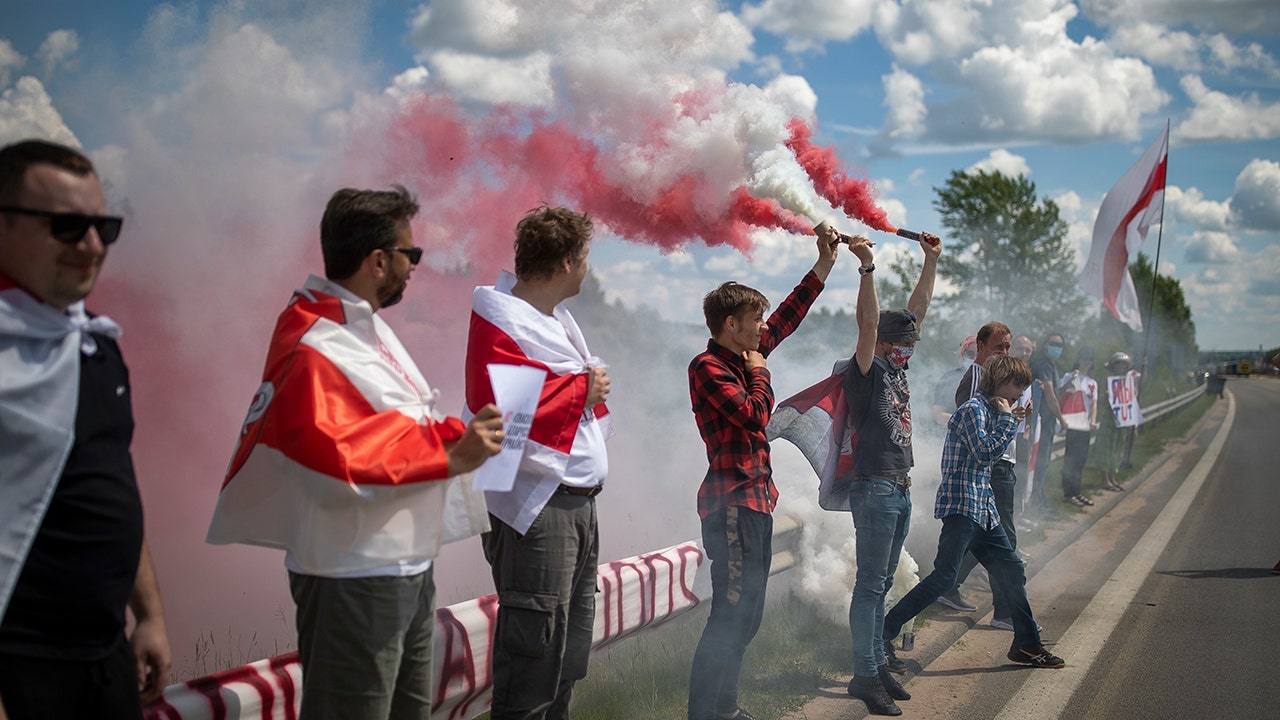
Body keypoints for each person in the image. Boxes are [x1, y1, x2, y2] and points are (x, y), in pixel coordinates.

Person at [207, 185, 504, 720]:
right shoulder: (316, 339)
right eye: (410, 255)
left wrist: (458, 435)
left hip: (401, 566)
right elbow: (330, 452)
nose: (415, 266)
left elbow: (392, 424)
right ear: (378, 260)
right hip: (355, 576)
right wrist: (450, 457)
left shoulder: (356, 326)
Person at [0, 140, 170, 719]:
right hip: (21, 667)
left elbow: (112, 478)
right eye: (69, 226)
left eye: (104, 227)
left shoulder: (93, 343)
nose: (92, 246)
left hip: (105, 655)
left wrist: (148, 614)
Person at [686, 228, 844, 720]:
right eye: (754, 320)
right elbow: (754, 415)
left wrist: (824, 263)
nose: (762, 329)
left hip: (755, 503)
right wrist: (762, 372)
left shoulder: (744, 355)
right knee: (730, 614)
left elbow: (787, 319)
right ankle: (705, 714)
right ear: (730, 323)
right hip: (730, 505)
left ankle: (726, 708)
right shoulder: (708, 366)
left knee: (747, 616)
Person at [465, 206, 612, 720]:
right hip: (539, 508)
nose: (587, 270)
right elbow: (498, 406)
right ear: (568, 261)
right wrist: (581, 387)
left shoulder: (552, 321)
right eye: (586, 258)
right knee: (533, 666)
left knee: (565, 658)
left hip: (576, 505)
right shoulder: (500, 315)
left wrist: (581, 391)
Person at [880, 355, 1065, 676]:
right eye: (1016, 385)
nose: (1020, 393)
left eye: (1023, 388)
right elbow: (983, 452)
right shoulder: (972, 410)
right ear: (998, 381)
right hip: (963, 508)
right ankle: (883, 632)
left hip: (984, 508)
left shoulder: (992, 411)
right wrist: (1009, 420)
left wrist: (1011, 417)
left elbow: (991, 448)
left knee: (1012, 570)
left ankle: (1027, 642)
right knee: (945, 577)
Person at [842, 229, 940, 716]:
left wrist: (930, 262)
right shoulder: (867, 371)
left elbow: (916, 312)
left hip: (898, 489)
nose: (910, 349)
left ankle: (878, 663)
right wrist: (866, 269)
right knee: (869, 584)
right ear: (885, 343)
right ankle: (863, 675)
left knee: (881, 583)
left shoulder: (897, 368)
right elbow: (868, 324)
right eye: (903, 343)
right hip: (875, 489)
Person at [937, 321, 1016, 618]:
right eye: (999, 347)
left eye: (1007, 347)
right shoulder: (977, 377)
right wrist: (1007, 421)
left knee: (987, 540)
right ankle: (1005, 614)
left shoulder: (996, 378)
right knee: (1004, 543)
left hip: (999, 464)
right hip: (988, 468)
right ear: (980, 347)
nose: (1004, 352)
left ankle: (947, 583)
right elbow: (973, 426)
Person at [1027, 332, 1069, 518]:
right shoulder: (1044, 364)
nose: (1056, 347)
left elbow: (1055, 392)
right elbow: (1051, 396)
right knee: (1040, 462)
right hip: (1041, 420)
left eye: (1059, 345)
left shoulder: (1052, 366)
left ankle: (1041, 501)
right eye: (1053, 343)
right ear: (1045, 345)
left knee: (1043, 463)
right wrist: (1061, 418)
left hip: (1046, 420)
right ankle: (1037, 504)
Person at [1058, 346, 1099, 507]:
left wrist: (1093, 420)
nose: (1086, 362)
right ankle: (1068, 493)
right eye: (1083, 359)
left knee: (1081, 460)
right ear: (1079, 359)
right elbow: (1060, 392)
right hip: (1072, 423)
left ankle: (1076, 491)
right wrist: (1070, 381)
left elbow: (1094, 404)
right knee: (1070, 459)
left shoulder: (1092, 383)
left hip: (1084, 425)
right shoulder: (1069, 375)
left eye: (1089, 360)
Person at [1096, 352, 1138, 492]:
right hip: (1109, 417)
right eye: (1118, 363)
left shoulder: (1127, 380)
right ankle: (1104, 478)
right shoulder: (1107, 379)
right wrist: (1107, 395)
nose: (1120, 366)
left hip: (1122, 418)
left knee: (1118, 447)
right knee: (1106, 447)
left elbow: (1131, 398)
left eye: (1123, 364)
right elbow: (1100, 398)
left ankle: (1113, 476)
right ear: (1113, 365)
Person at [1010, 335, 1038, 517]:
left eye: (1028, 350)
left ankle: (1017, 518)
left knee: (1020, 478)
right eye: (1020, 348)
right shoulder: (1005, 372)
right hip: (1005, 436)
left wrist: (1027, 426)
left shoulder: (1028, 374)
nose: (1024, 353)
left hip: (1021, 436)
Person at [929, 335, 977, 428]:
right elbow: (937, 415)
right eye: (970, 354)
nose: (974, 358)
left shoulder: (992, 381)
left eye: (979, 354)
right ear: (963, 354)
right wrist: (965, 423)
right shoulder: (949, 378)